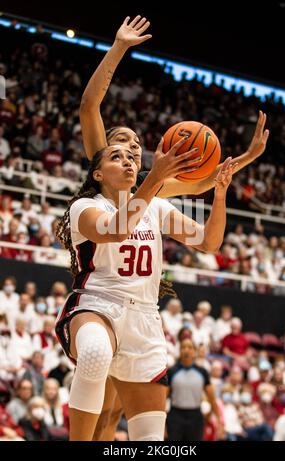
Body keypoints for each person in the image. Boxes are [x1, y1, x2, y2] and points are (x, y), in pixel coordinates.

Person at [79, 14, 270, 441]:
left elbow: (205, 181)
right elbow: (89, 105)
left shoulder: (153, 191)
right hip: (103, 301)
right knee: (101, 405)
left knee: (114, 414)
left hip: (141, 312)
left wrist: (247, 158)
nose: (129, 147)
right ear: (101, 159)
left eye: (134, 144)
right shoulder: (104, 173)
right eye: (120, 142)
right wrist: (119, 48)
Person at [54, 126, 234, 440]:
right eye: (116, 156)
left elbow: (209, 242)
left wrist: (219, 194)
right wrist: (155, 178)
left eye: (132, 156)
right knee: (95, 352)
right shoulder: (84, 207)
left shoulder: (156, 207)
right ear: (97, 174)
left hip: (146, 319)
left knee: (150, 438)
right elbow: (116, 230)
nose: (127, 160)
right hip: (98, 305)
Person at [167, 338, 223, 441]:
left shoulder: (202, 372)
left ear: (195, 351)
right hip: (175, 416)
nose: (186, 350)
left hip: (195, 416)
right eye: (183, 347)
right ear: (179, 351)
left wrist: (219, 420)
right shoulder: (171, 372)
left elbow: (212, 399)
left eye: (190, 347)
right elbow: (163, 399)